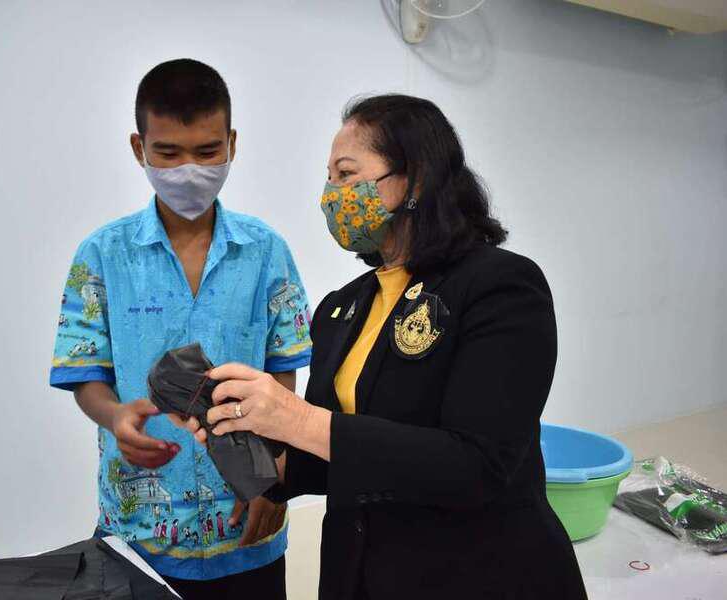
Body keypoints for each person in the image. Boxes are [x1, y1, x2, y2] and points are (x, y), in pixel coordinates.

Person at [178, 95, 588, 599]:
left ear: (415, 179)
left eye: (347, 174)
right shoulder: (341, 308)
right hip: (362, 576)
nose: (331, 195)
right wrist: (245, 443)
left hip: (478, 576)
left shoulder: (499, 286)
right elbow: (335, 456)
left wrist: (294, 418)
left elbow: (476, 466)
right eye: (329, 178)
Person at [49, 59, 311, 600]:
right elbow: (85, 373)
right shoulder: (102, 255)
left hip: (248, 526)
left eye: (207, 151)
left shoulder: (266, 252)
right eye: (168, 153)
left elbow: (282, 378)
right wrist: (115, 415)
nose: (189, 169)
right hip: (137, 536)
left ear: (232, 143)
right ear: (138, 147)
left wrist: (273, 481)